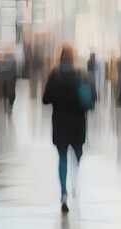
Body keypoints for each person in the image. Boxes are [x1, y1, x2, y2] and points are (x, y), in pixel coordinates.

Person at [43, 45, 97, 213]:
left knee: (62, 157)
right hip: (78, 122)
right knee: (77, 153)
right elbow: (92, 100)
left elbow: (45, 99)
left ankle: (64, 193)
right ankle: (75, 179)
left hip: (60, 122)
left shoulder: (54, 75)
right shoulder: (82, 75)